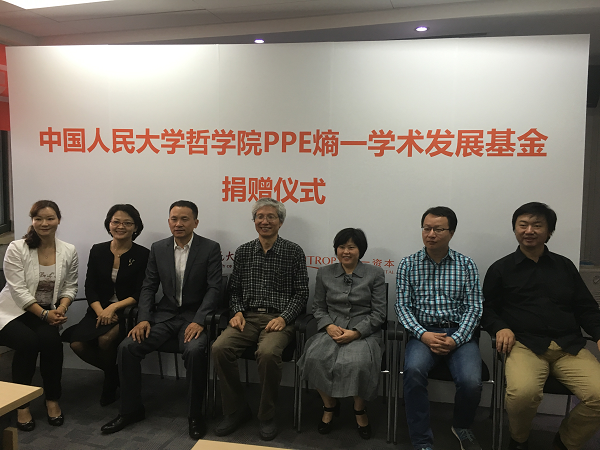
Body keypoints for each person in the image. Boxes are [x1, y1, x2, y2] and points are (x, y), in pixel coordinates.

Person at [481, 202, 600, 450]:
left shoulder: (565, 266)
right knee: (523, 395)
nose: (529, 231)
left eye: (537, 225)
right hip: (524, 345)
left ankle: (566, 441)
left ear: (549, 231)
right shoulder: (501, 268)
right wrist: (500, 327)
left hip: (568, 346)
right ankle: (519, 439)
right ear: (515, 229)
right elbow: (487, 309)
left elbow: (586, 308)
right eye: (523, 225)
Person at [100, 200, 222, 440]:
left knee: (195, 350)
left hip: (193, 318)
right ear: (168, 221)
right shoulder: (158, 248)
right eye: (174, 219)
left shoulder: (210, 248)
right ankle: (131, 410)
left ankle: (195, 415)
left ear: (195, 222)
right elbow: (148, 286)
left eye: (185, 219)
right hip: (164, 316)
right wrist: (143, 318)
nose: (178, 224)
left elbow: (214, 288)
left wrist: (200, 320)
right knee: (127, 347)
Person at [212, 197, 309, 441]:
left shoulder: (294, 251)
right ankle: (236, 409)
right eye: (260, 217)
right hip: (247, 316)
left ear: (280, 222)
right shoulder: (243, 251)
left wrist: (285, 318)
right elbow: (234, 289)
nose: (264, 221)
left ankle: (266, 415)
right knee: (220, 348)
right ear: (254, 220)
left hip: (279, 319)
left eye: (271, 217)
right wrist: (236, 311)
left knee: (267, 353)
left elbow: (301, 293)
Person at [395, 206, 483, 450]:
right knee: (413, 372)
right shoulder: (408, 264)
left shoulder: (466, 265)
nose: (431, 234)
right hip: (423, 331)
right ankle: (421, 440)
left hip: (459, 332)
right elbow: (402, 307)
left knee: (471, 381)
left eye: (438, 229)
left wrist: (457, 338)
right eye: (426, 228)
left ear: (451, 232)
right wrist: (423, 334)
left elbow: (474, 307)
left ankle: (462, 426)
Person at [297, 228, 386, 439]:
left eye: (351, 247)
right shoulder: (324, 272)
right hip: (332, 328)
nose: (346, 251)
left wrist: (357, 332)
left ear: (360, 250)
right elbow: (318, 307)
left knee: (359, 363)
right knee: (314, 358)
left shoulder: (375, 273)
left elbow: (379, 313)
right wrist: (328, 326)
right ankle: (329, 405)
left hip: (364, 331)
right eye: (342, 247)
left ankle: (359, 409)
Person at [0, 200, 78, 431]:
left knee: (52, 342)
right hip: (11, 312)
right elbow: (18, 290)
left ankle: (52, 399)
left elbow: (70, 286)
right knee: (28, 343)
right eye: (38, 219)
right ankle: (21, 404)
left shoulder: (68, 250)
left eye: (50, 218)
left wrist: (62, 308)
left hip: (45, 312)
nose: (44, 223)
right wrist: (45, 315)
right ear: (32, 221)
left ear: (58, 220)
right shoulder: (17, 248)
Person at [66, 204, 149, 406]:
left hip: (128, 311)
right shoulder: (98, 250)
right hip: (98, 309)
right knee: (77, 344)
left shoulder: (143, 254)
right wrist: (101, 311)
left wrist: (113, 308)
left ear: (135, 227)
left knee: (105, 340)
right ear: (109, 224)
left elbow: (141, 292)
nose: (121, 226)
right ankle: (114, 374)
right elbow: (90, 287)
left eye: (127, 223)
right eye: (116, 222)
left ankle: (109, 384)